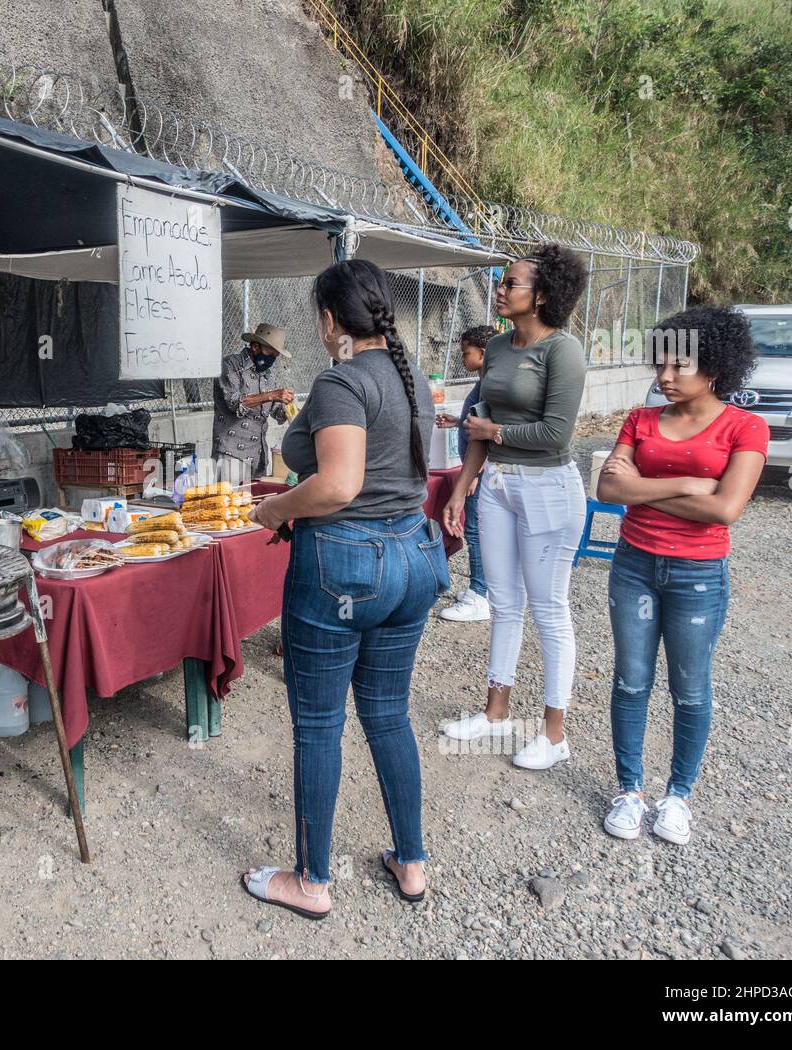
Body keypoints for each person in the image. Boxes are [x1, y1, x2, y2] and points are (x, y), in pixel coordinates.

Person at [241, 259, 446, 919]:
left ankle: (310, 882)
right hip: (413, 554)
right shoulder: (411, 378)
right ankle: (410, 863)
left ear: (329, 320)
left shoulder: (342, 380)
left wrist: (274, 511)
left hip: (345, 563)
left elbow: (337, 485)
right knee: (388, 713)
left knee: (320, 724)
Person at [597, 307, 767, 845]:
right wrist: (693, 484)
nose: (664, 377)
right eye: (659, 366)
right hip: (633, 567)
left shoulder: (746, 426)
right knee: (630, 682)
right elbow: (607, 492)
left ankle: (678, 795)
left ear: (714, 368)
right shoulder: (640, 420)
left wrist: (647, 487)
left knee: (690, 690)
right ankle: (630, 790)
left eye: (679, 367)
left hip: (698, 574)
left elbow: (725, 511)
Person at [440, 244, 589, 771]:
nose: (500, 289)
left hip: (548, 487)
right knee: (504, 603)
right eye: (501, 282)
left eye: (511, 283)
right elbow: (480, 421)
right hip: (498, 484)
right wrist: (462, 488)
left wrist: (493, 431)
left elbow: (557, 432)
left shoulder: (563, 351)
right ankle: (495, 712)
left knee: (549, 610)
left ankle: (554, 733)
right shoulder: (499, 347)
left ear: (542, 296)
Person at [435, 325, 495, 622]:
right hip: (478, 471)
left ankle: (479, 594)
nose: (462, 358)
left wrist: (473, 474)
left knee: (475, 530)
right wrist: (458, 422)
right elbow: (477, 423)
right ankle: (483, 589)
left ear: (482, 354)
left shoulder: (490, 383)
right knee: (479, 530)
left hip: (480, 473)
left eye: (465, 353)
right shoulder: (484, 381)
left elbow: (487, 433)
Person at [211, 322, 294, 486]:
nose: (272, 359)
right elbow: (234, 403)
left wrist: (289, 408)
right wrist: (271, 395)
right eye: (270, 353)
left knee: (254, 507)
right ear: (255, 347)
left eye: (275, 356)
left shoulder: (267, 375)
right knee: (229, 506)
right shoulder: (230, 366)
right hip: (232, 454)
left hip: (258, 456)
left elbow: (275, 411)